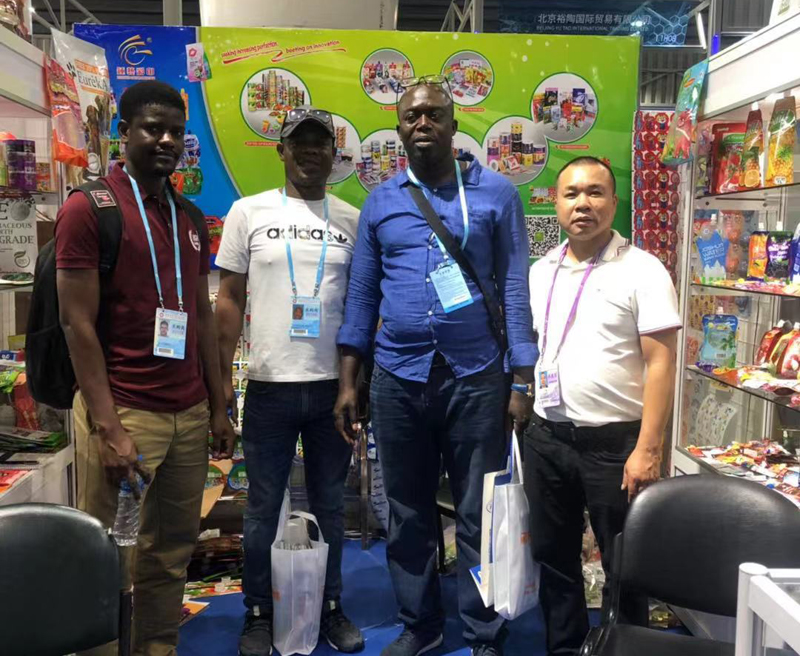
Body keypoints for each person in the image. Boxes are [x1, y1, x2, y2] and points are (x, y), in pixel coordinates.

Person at [335, 78, 537, 656]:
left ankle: (483, 631)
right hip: (398, 378)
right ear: (399, 128)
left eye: (433, 115)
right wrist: (349, 381)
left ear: (453, 124)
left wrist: (521, 378)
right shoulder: (381, 202)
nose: (421, 123)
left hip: (477, 376)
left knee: (478, 511)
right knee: (406, 510)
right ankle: (420, 625)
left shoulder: (496, 194)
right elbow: (362, 296)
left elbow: (515, 286)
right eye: (411, 116)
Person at [55, 80, 235, 656]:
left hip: (188, 414)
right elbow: (76, 325)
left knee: (171, 554)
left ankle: (158, 648)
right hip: (125, 412)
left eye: (176, 132)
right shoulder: (90, 209)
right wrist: (109, 428)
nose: (166, 141)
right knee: (110, 556)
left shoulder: (188, 216)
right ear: (123, 133)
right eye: (153, 129)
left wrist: (218, 405)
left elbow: (201, 320)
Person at [215, 106, 364, 656]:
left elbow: (361, 308)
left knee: (330, 506)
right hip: (269, 386)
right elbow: (229, 300)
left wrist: (357, 385)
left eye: (320, 143)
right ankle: (259, 611)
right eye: (298, 142)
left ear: (334, 154)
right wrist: (221, 383)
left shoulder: (352, 219)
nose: (309, 151)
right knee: (262, 508)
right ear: (281, 151)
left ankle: (330, 605)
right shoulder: (247, 212)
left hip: (332, 390)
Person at [524, 156, 680, 656]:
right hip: (547, 437)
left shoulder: (642, 269)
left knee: (625, 565)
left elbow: (661, 363)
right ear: (556, 202)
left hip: (617, 445)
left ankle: (624, 649)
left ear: (614, 202)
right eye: (571, 193)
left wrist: (648, 448)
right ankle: (564, 647)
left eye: (595, 192)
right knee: (553, 557)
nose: (583, 204)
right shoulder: (541, 270)